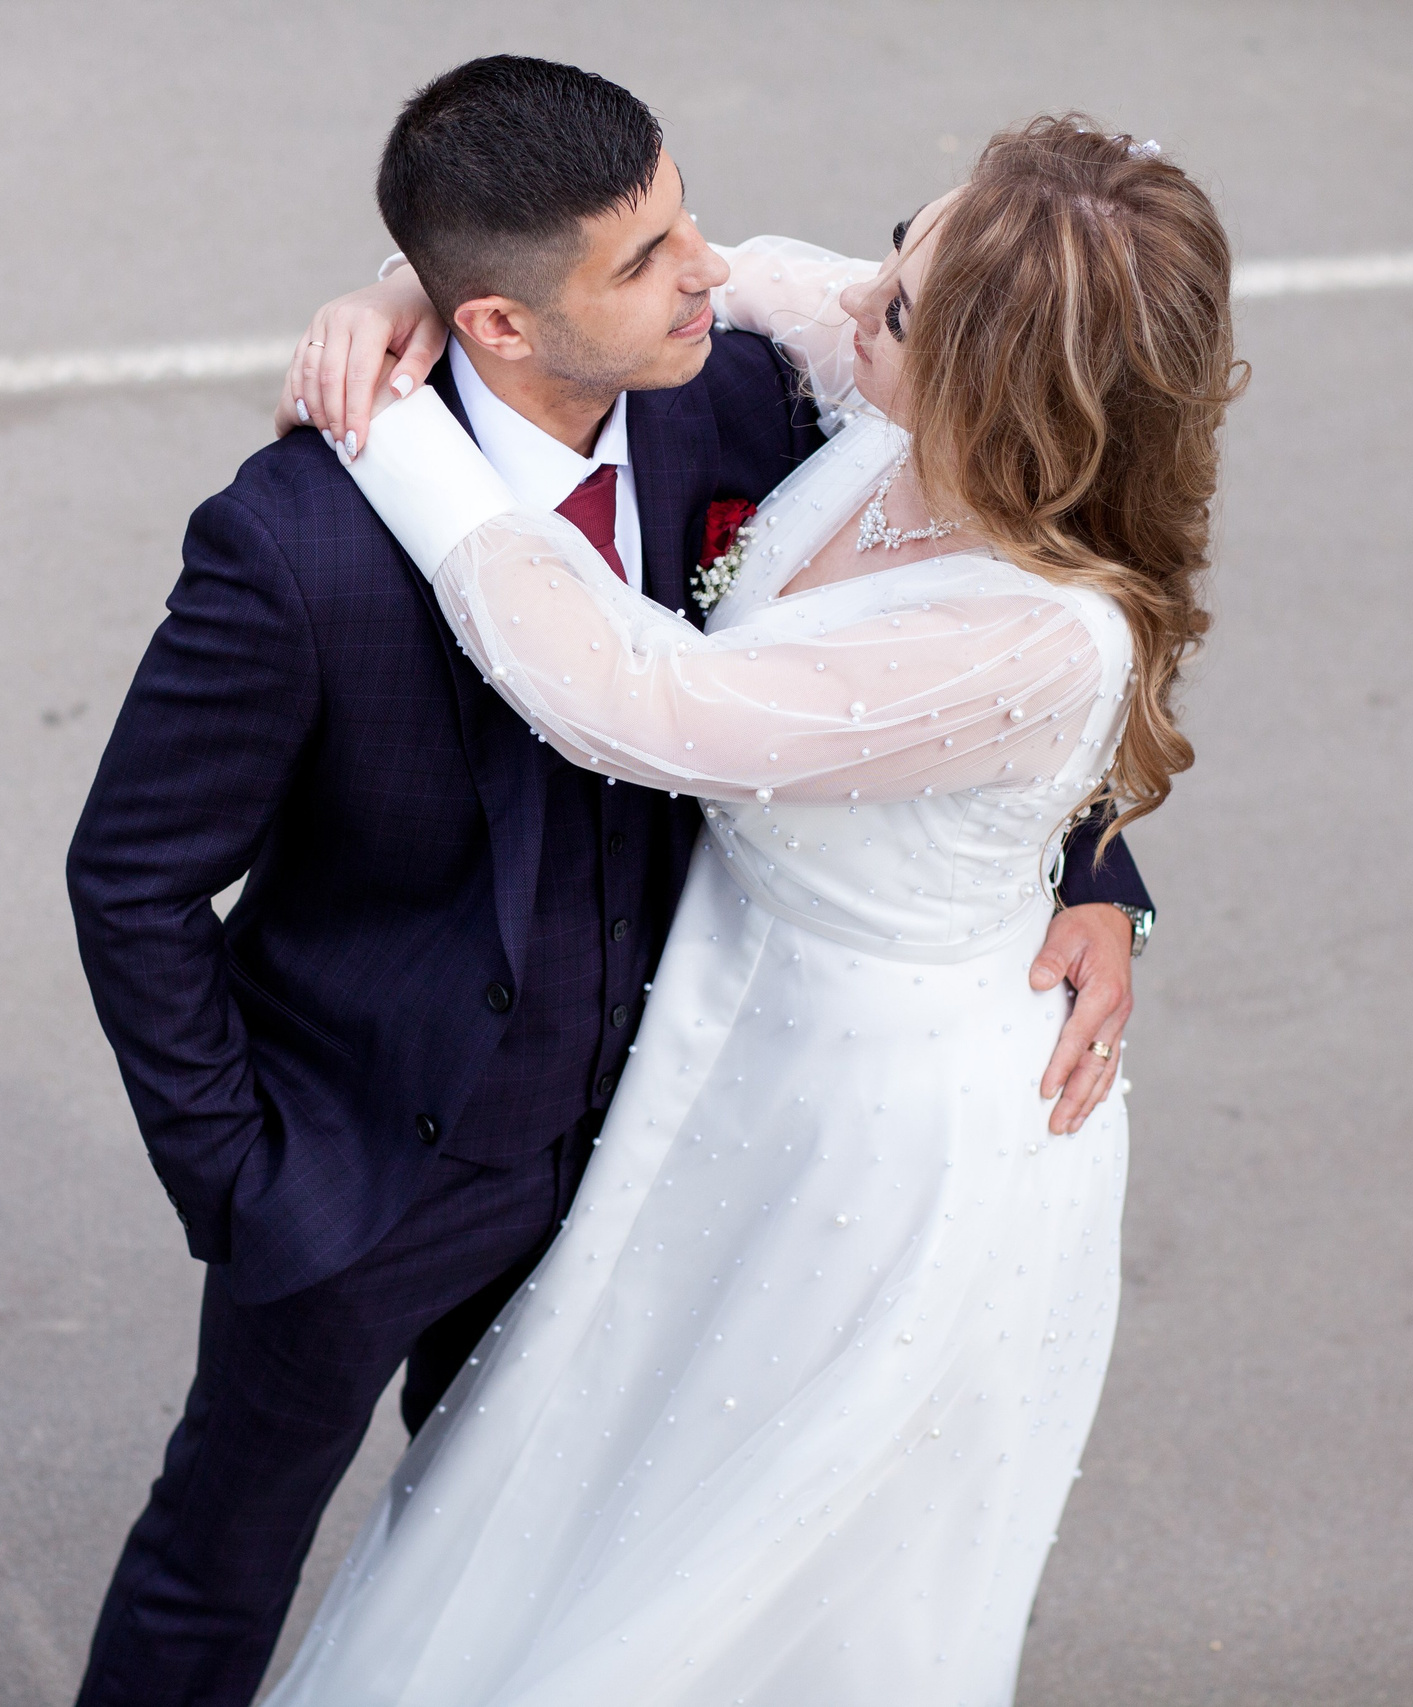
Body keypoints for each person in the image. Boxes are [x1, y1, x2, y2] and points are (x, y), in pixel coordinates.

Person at [64, 59, 1158, 1707]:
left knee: (526, 1548)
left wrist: (1094, 874)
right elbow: (132, 880)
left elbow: (961, 636)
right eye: (643, 257)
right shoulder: (292, 541)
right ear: (499, 324)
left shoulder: (738, 400)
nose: (709, 269)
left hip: (663, 1146)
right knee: (217, 1556)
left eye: (685, 217)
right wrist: (245, 1177)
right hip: (361, 1167)